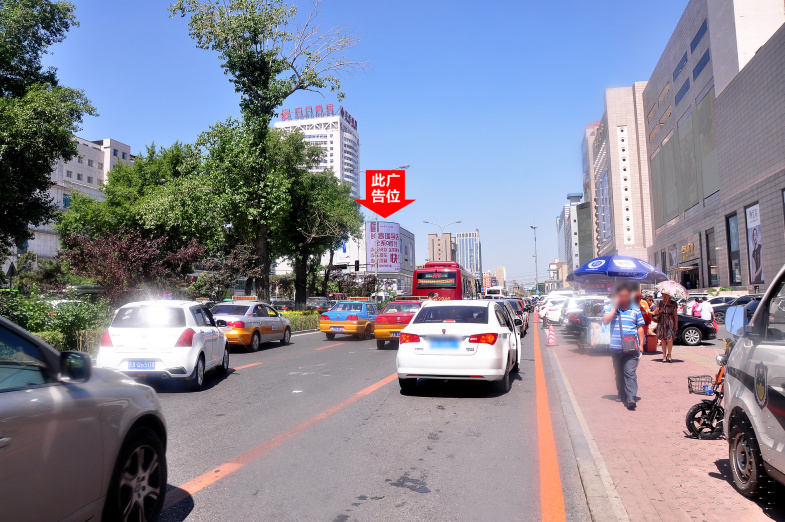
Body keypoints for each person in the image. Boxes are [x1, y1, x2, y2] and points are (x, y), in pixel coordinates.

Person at [603, 284, 646, 410]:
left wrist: (641, 345)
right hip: (616, 347)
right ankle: (621, 393)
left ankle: (631, 397)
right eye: (621, 296)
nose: (623, 298)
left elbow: (640, 327)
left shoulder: (635, 309)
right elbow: (605, 321)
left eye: (625, 296)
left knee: (630, 372)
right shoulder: (610, 308)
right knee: (619, 372)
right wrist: (614, 308)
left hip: (631, 347)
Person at [652, 292, 679, 363]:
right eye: (663, 294)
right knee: (663, 339)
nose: (664, 296)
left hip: (670, 321)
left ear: (669, 295)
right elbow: (655, 312)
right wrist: (661, 310)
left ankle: (669, 354)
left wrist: (676, 324)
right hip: (662, 321)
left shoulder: (673, 303)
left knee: (670, 339)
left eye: (665, 294)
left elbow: (675, 314)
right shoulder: (660, 302)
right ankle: (664, 355)